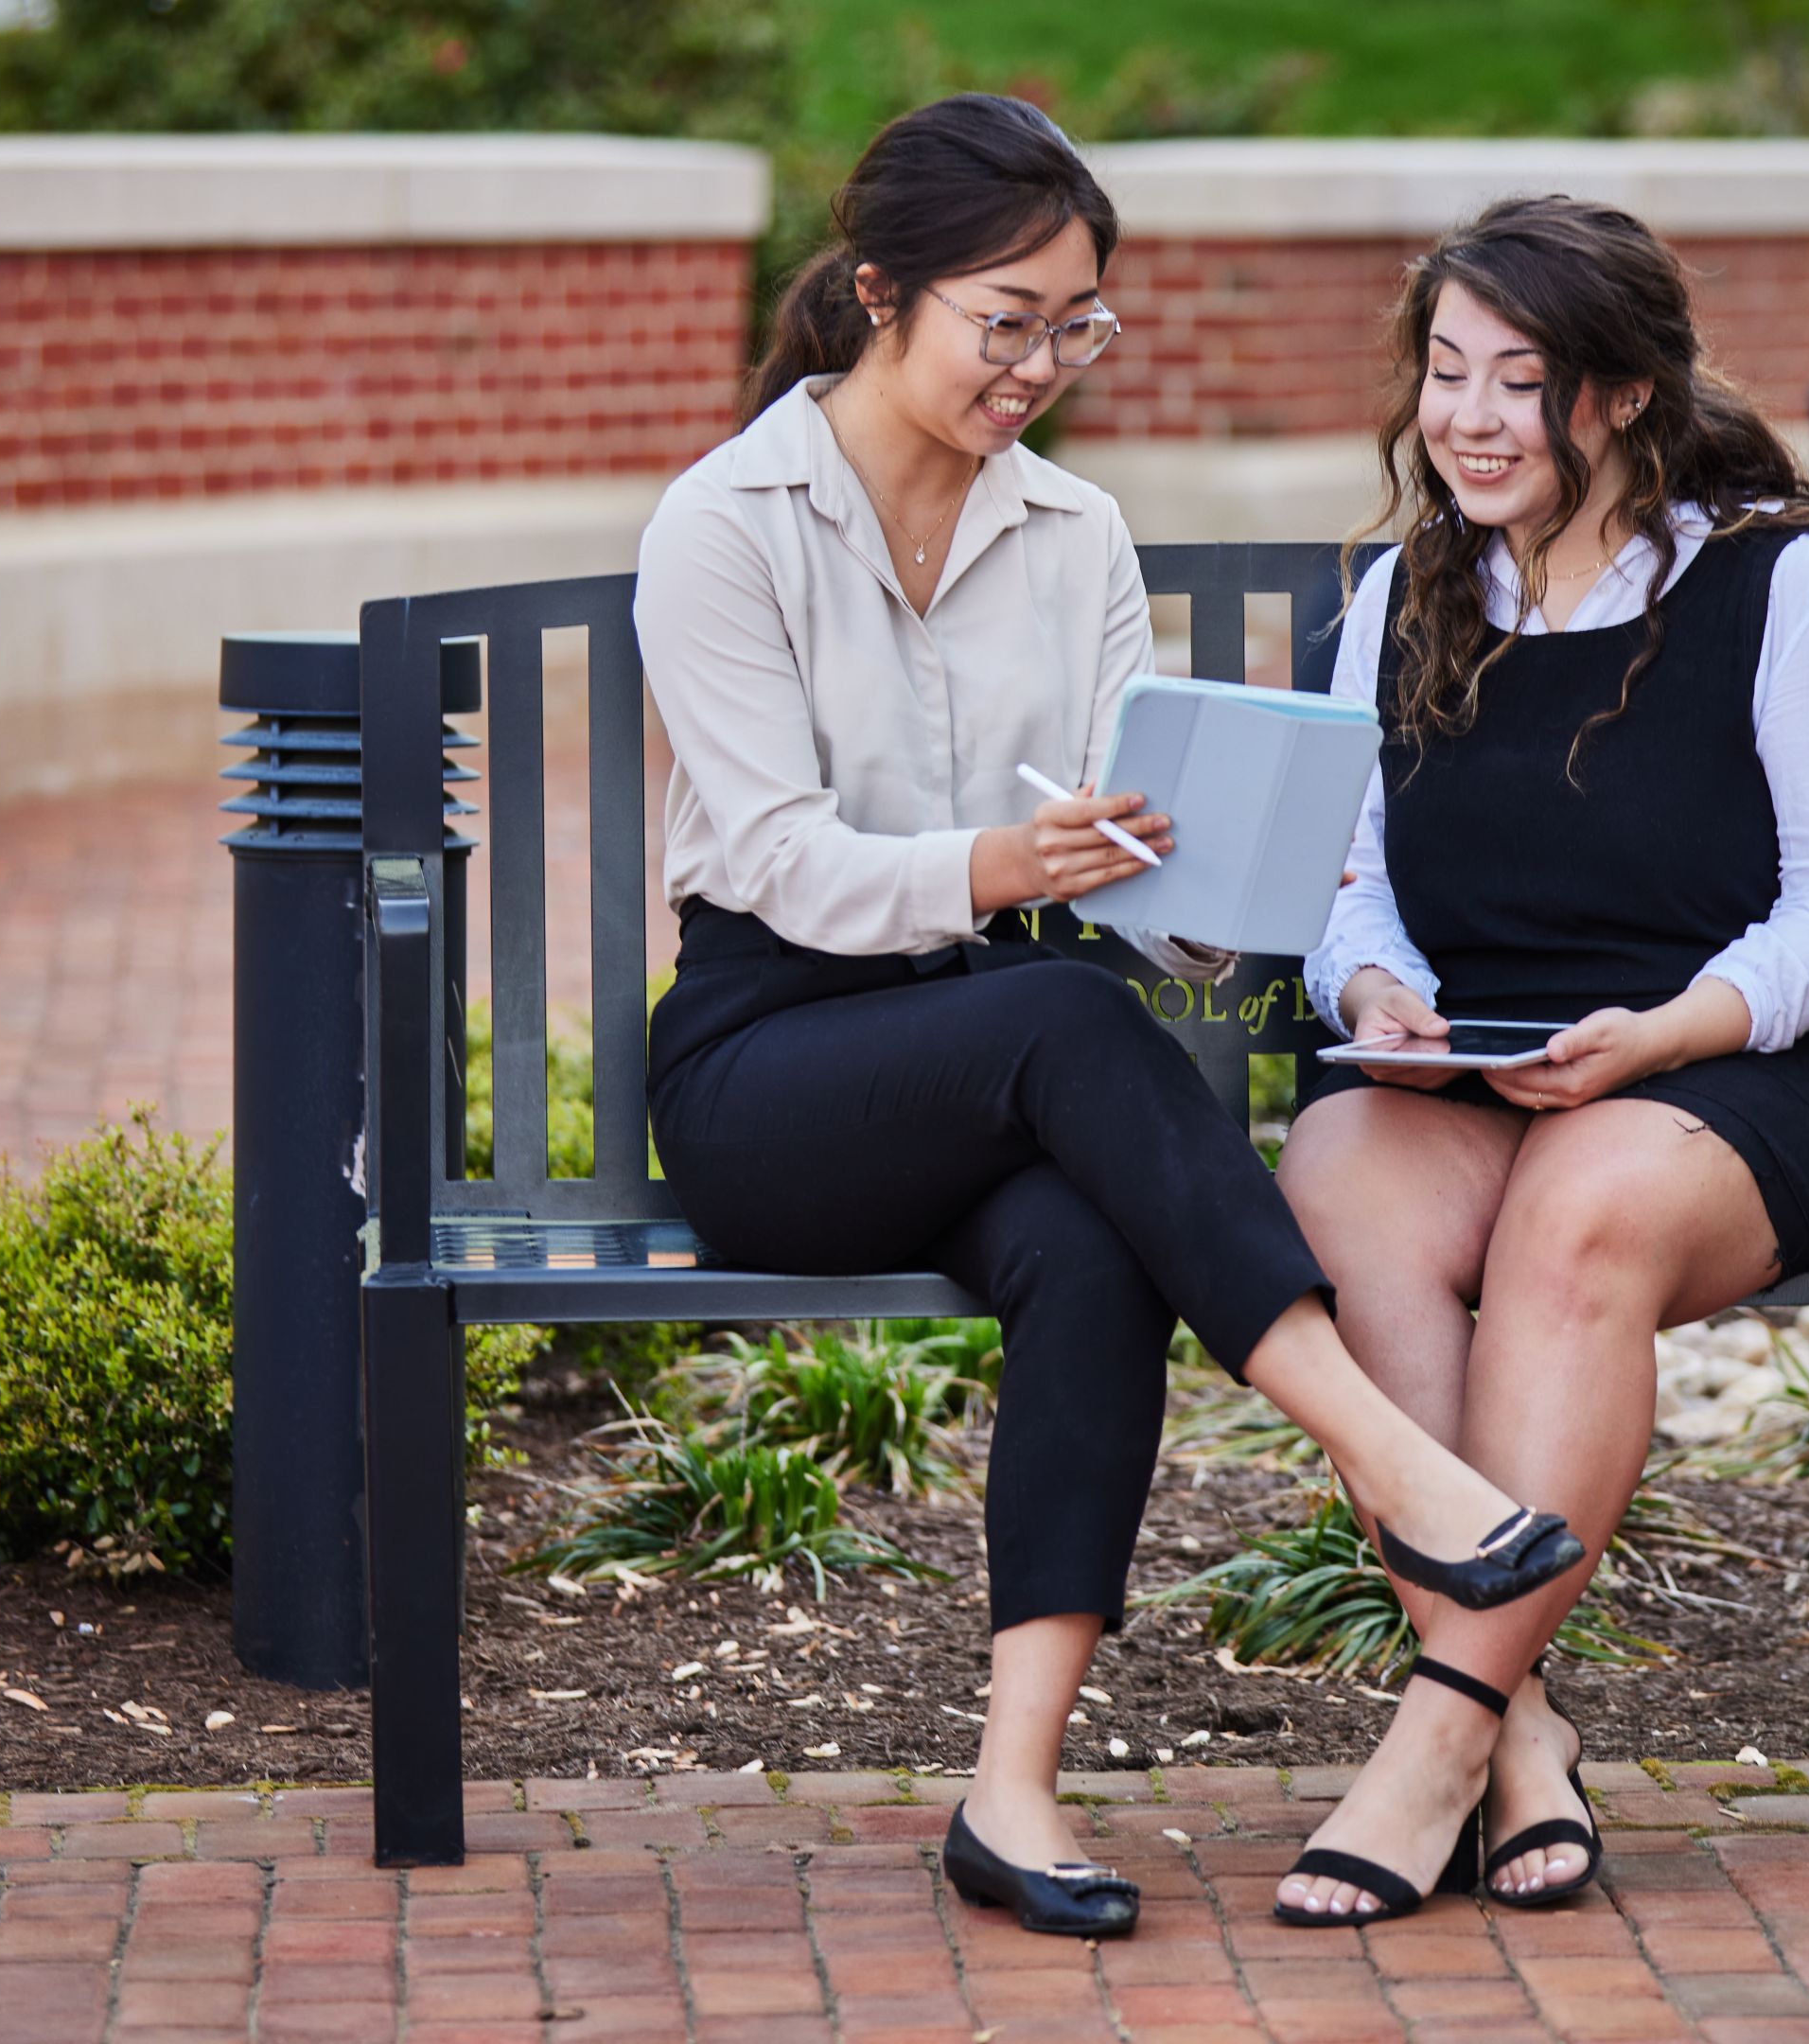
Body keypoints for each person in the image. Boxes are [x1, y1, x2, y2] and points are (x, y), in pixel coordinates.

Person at [631, 98, 1585, 1944]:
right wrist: (1006, 863)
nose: (1040, 368)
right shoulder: (725, 522)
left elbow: (1122, 867)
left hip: (997, 1062)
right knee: (1063, 1027)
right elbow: (774, 860)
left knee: (1088, 1228)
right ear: (879, 292)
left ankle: (1009, 1788)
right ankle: (1400, 1471)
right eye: (1007, 320)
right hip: (771, 1073)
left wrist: (1222, 890)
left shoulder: (1069, 533)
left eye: (1077, 326)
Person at [1270, 196, 1809, 1921]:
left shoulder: (1774, 584)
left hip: (1752, 1060)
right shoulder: (1401, 596)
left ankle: (1433, 1740)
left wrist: (1672, 1030)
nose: (1471, 420)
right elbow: (1347, 884)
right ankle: (1521, 1735)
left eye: (1522, 381)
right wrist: (1375, 1002)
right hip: (1487, 1062)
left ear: (1626, 392)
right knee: (1335, 1181)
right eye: (1446, 373)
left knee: (1575, 1212)